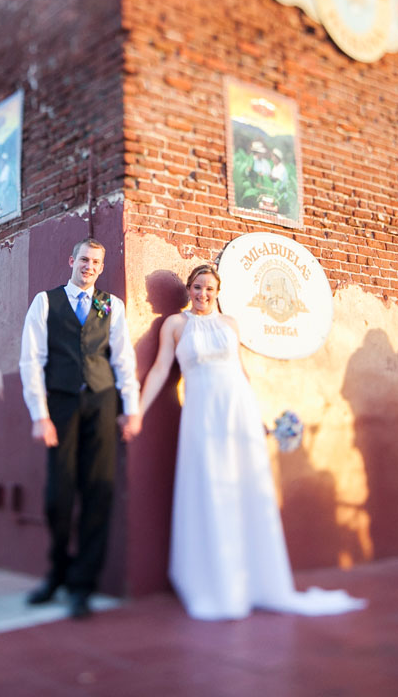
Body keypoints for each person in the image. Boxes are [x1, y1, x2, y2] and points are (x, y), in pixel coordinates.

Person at [136, 263, 366, 620]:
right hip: (203, 415)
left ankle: (256, 581)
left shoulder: (231, 324)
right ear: (189, 289)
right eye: (197, 288)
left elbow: (240, 372)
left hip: (238, 411)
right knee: (211, 487)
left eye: (209, 289)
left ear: (218, 291)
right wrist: (137, 411)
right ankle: (215, 582)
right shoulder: (176, 325)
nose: (203, 294)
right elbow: (161, 369)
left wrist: (258, 418)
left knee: (245, 488)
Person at [19, 237, 141, 619]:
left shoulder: (110, 305)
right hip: (62, 404)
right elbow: (31, 360)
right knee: (59, 497)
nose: (89, 266)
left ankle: (82, 586)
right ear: (72, 260)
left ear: (102, 268)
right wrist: (40, 415)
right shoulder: (45, 302)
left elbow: (123, 359)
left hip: (102, 404)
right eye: (84, 259)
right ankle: (57, 573)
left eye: (96, 262)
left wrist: (131, 409)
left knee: (98, 493)